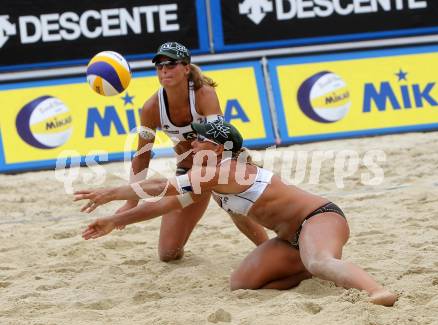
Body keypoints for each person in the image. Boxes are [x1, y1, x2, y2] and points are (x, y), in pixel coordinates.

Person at [74, 120, 397, 307]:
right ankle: (312, 272)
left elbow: (161, 186)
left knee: (320, 261)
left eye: (199, 139)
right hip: (289, 239)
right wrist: (116, 220)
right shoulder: (210, 180)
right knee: (242, 283)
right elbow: (166, 205)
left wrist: (110, 193)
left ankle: (377, 291)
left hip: (320, 218)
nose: (192, 142)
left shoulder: (226, 169)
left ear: (217, 148)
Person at [118, 41, 268, 261]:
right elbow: (142, 156)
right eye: (159, 66)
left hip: (219, 165)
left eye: (171, 64)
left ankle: (270, 248)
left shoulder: (203, 94)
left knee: (233, 205)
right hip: (187, 173)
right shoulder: (152, 108)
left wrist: (210, 181)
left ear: (186, 68)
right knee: (168, 254)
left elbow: (219, 140)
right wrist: (131, 201)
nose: (164, 69)